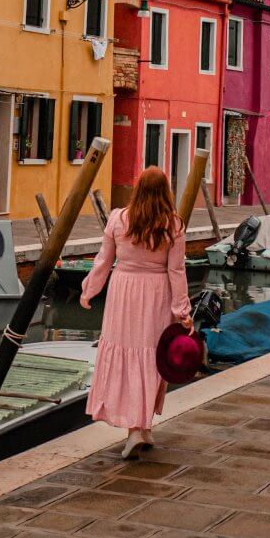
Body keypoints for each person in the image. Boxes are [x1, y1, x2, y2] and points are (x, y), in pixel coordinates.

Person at [80, 166, 192, 459]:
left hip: (124, 293)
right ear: (166, 191)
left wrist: (89, 290)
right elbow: (176, 271)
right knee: (151, 358)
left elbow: (103, 261)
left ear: (138, 188)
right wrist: (182, 310)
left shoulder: (118, 218)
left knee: (128, 356)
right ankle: (142, 427)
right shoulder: (174, 225)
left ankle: (136, 429)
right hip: (157, 293)